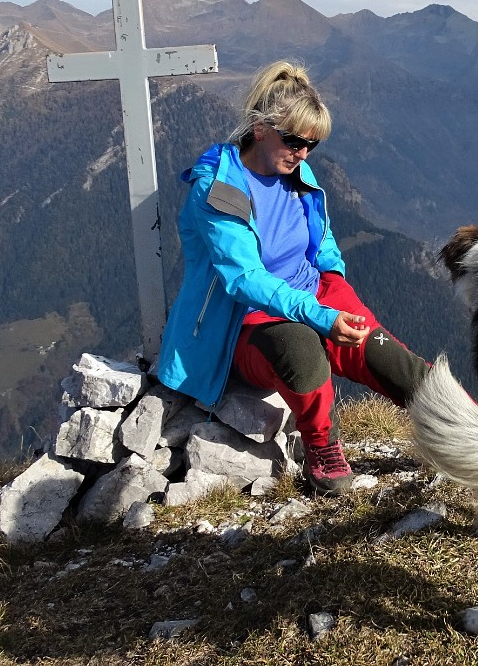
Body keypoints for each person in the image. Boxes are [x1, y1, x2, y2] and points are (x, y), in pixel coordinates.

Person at [155, 61, 430, 494]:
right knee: (301, 349)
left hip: (313, 295)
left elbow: (320, 235)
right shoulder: (218, 191)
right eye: (295, 140)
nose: (303, 152)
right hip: (245, 324)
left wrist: (334, 282)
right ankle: (322, 447)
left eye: (312, 144)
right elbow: (243, 280)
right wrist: (319, 316)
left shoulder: (294, 170)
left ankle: (476, 428)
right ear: (260, 128)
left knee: (391, 359)